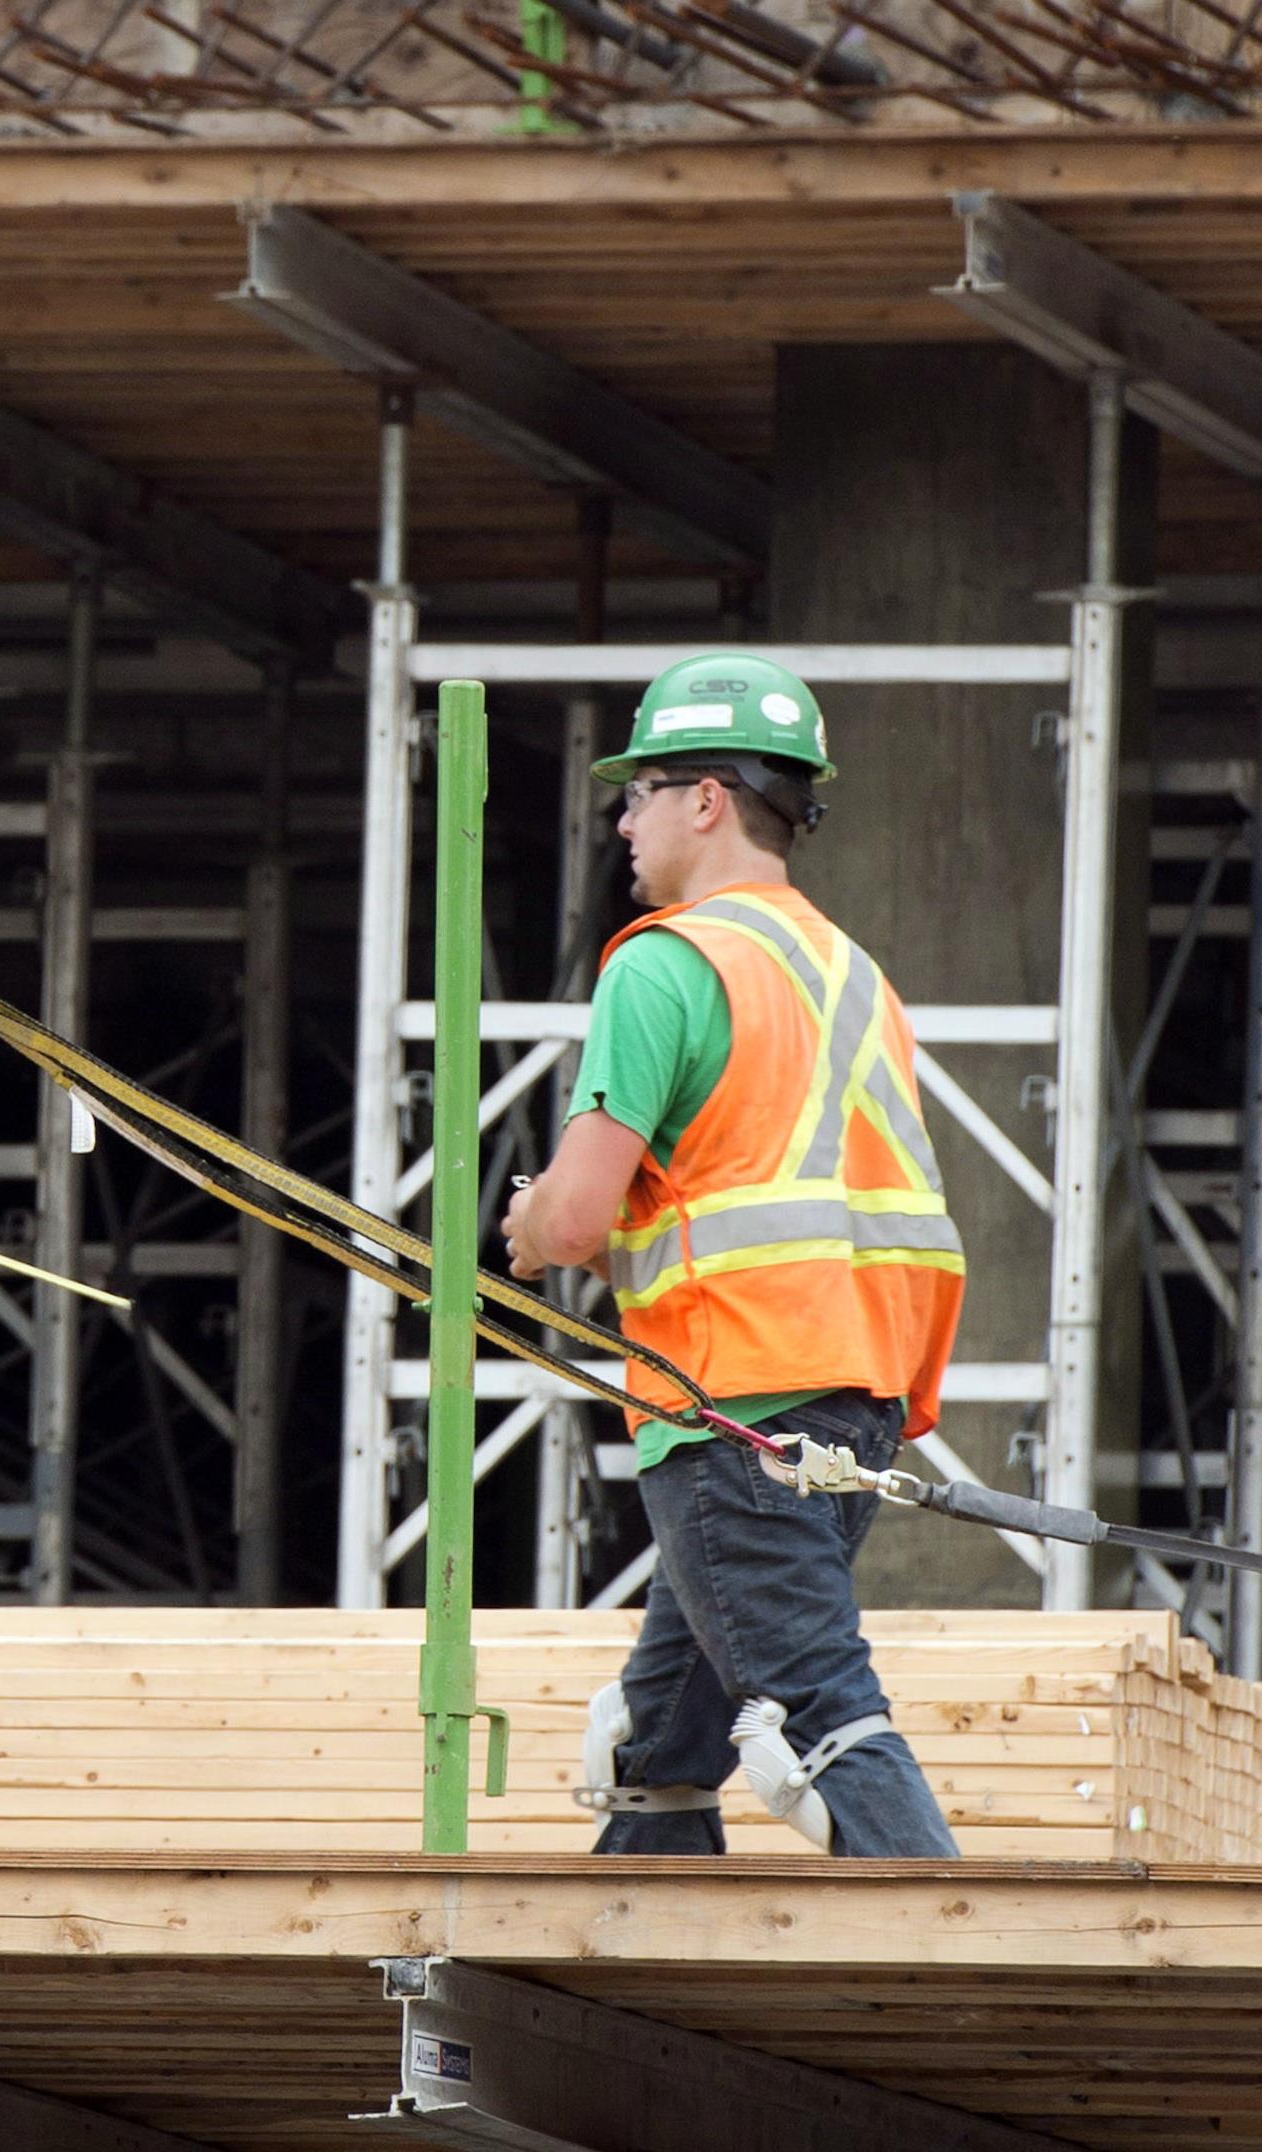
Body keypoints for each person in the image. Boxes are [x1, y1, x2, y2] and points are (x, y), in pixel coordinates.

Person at [499, 654, 967, 1857]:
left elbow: (575, 1224)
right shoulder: (848, 972)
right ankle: (632, 2006)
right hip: (852, 1404)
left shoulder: (667, 960)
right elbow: (776, 1205)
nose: (624, 818)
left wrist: (529, 1220)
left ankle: (970, 1982)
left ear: (706, 799)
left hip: (733, 1409)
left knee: (820, 1717)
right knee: (661, 1747)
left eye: (641, 789)